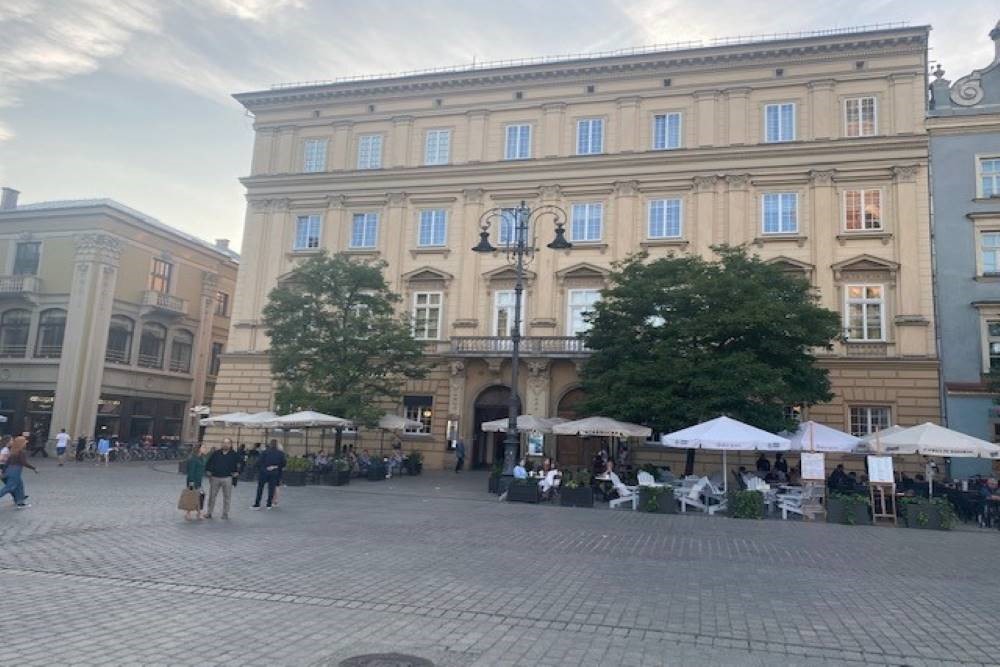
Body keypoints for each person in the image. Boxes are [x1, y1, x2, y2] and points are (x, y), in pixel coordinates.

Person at [204, 438, 239, 520]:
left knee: (227, 497)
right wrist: (208, 470)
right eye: (223, 443)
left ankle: (225, 513)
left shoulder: (234, 454)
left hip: (227, 478)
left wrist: (238, 472)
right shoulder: (216, 453)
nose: (225, 444)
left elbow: (242, 463)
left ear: (230, 445)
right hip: (215, 477)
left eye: (227, 443)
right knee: (212, 496)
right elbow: (209, 462)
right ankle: (209, 513)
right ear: (221, 444)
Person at [1, 436, 38, 508]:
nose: (26, 444)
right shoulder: (21, 452)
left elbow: (7, 462)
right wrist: (34, 468)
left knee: (20, 486)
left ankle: (20, 501)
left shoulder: (12, 451)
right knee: (9, 487)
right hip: (15, 471)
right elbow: (24, 463)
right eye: (25, 442)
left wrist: (3, 471)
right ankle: (20, 502)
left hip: (9, 470)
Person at [252, 440, 286, 510]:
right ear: (276, 445)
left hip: (264, 472)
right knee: (271, 489)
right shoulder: (281, 453)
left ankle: (257, 504)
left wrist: (265, 468)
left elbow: (258, 463)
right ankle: (269, 505)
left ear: (270, 444)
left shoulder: (265, 452)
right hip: (274, 473)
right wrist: (275, 467)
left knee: (260, 489)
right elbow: (283, 463)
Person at [183, 444, 206, 520]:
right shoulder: (193, 459)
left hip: (199, 481)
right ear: (198, 449)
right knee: (191, 497)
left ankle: (199, 513)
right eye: (203, 447)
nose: (205, 448)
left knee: (200, 497)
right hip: (193, 481)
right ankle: (188, 513)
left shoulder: (201, 458)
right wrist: (191, 483)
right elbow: (191, 472)